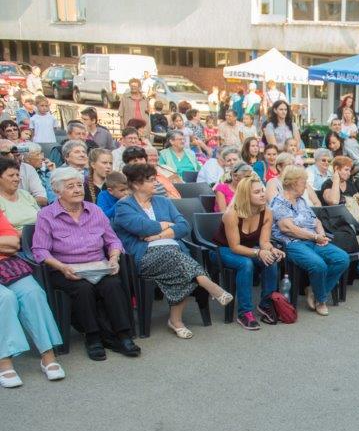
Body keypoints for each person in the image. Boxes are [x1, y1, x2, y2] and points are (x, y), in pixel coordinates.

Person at [113, 163, 232, 339]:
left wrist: (158, 236)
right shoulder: (124, 206)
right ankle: (210, 286)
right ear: (137, 184)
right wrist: (166, 225)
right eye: (151, 180)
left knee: (178, 263)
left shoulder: (163, 201)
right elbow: (142, 227)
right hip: (145, 256)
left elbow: (184, 225)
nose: (156, 183)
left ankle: (176, 321)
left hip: (174, 252)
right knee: (177, 259)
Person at [33, 166, 139, 360]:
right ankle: (93, 338)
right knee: (83, 289)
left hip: (97, 265)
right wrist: (62, 267)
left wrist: (114, 258)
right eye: (70, 186)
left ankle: (123, 335)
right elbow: (40, 251)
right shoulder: (46, 215)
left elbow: (113, 240)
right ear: (57, 191)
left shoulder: (95, 210)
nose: (77, 190)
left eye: (79, 185)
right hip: (66, 268)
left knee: (113, 284)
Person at [271, 166, 350, 316]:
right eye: (304, 182)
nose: (306, 185)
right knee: (318, 265)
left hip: (313, 240)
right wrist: (314, 237)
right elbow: (288, 229)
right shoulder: (279, 202)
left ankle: (314, 290)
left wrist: (321, 235)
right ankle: (321, 299)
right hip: (293, 243)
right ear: (294, 183)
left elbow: (316, 220)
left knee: (342, 258)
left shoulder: (301, 201)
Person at [0, 210, 65, 387]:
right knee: (5, 298)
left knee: (33, 293)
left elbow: (13, 243)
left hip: (5, 265)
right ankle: (4, 361)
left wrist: (6, 245)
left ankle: (47, 356)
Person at [214, 175, 284, 330]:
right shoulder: (232, 214)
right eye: (257, 192)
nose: (262, 194)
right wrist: (258, 253)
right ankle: (244, 312)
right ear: (246, 195)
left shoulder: (266, 212)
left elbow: (264, 242)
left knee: (271, 259)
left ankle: (266, 304)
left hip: (249, 248)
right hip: (224, 250)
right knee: (245, 264)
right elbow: (235, 247)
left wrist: (271, 249)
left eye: (263, 190)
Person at [0, 157, 39, 230]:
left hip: (38, 237)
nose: (16, 179)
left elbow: (42, 219)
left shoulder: (25, 195)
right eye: (11, 175)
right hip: (13, 240)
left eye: (17, 175)